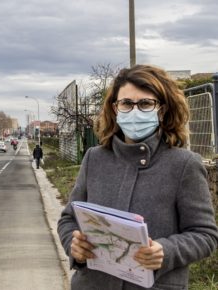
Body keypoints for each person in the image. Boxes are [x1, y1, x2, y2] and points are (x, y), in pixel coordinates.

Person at [57, 64, 218, 290]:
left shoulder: (184, 164)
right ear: (115, 108)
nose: (135, 111)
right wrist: (73, 246)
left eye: (145, 103)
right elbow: (68, 218)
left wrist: (166, 251)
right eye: (127, 103)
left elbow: (205, 235)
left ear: (161, 110)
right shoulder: (94, 158)